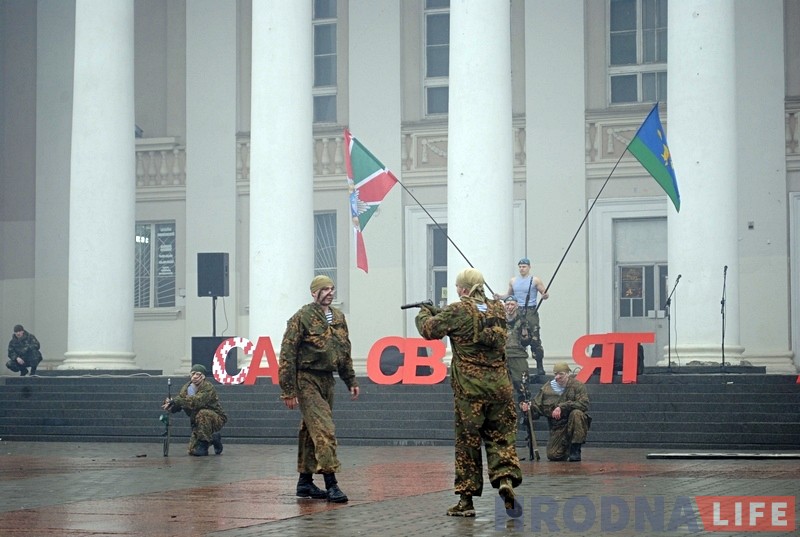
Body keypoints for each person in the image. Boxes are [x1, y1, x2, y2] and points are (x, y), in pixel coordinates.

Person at [416, 268, 522, 517]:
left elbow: (429, 330)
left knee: (468, 443)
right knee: (501, 438)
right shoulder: (497, 309)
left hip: (471, 390)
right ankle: (505, 479)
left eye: (457, 287)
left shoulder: (457, 310)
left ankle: (466, 501)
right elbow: (474, 318)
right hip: (500, 388)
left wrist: (424, 311)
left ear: (463, 288)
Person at [279, 275, 360, 504]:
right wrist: (288, 390)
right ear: (314, 293)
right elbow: (287, 354)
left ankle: (305, 482)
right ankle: (331, 483)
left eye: (332, 288)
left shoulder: (339, 317)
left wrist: (350, 380)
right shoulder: (301, 318)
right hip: (306, 379)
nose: (330, 292)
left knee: (309, 430)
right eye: (324, 289)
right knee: (324, 429)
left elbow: (344, 351)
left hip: (327, 379)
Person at [523, 362, 590, 462]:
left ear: (567, 373)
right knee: (553, 455)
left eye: (561, 374)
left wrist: (562, 406)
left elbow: (584, 404)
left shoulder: (578, 386)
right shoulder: (546, 389)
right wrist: (528, 408)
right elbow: (537, 409)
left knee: (577, 413)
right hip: (558, 426)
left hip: (574, 422)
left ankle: (575, 449)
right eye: (555, 374)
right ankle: (567, 447)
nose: (558, 377)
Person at [496, 258, 548, 375]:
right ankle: (518, 364)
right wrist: (499, 296)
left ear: (529, 267)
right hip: (517, 311)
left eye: (524, 266)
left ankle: (539, 365)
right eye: (520, 266)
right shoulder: (513, 281)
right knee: (515, 336)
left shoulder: (534, 280)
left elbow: (544, 293)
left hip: (530, 311)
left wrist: (545, 295)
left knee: (534, 338)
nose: (522, 268)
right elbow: (508, 296)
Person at [162, 364, 226, 456]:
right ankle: (213, 438)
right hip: (197, 421)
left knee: (203, 413)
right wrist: (171, 404)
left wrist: (177, 401)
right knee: (192, 450)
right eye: (193, 374)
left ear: (203, 377)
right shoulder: (186, 388)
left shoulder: (208, 387)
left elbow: (196, 401)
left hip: (215, 419)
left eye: (198, 374)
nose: (195, 376)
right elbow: (181, 402)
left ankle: (204, 444)